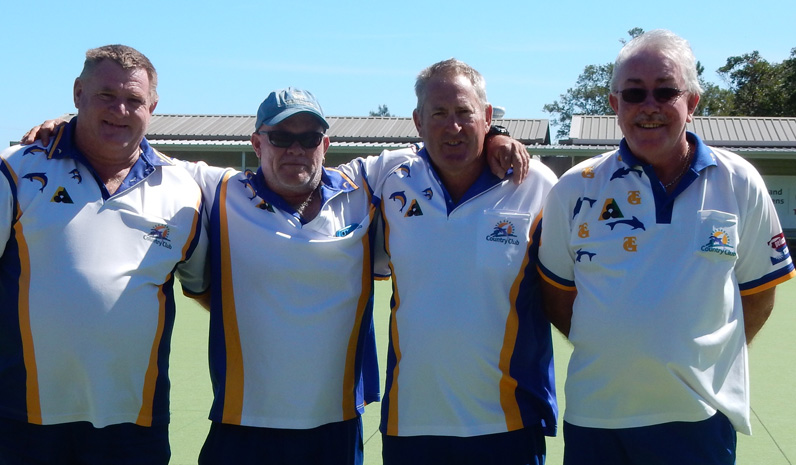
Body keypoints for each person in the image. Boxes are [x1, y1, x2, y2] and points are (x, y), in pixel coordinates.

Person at [23, 85, 530, 464]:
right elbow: (126, 149)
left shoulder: (367, 184)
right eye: (281, 137)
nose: (296, 149)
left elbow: (446, 137)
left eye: (308, 137)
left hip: (335, 429)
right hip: (241, 428)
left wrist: (498, 136)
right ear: (257, 141)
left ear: (325, 143)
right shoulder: (214, 189)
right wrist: (69, 128)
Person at [538, 29, 796, 465]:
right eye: (634, 94)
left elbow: (759, 295)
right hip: (596, 417)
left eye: (666, 91)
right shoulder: (573, 189)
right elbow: (558, 296)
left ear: (692, 102)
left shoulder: (739, 181)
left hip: (698, 419)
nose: (650, 107)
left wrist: (699, 361)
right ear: (614, 104)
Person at [0, 45, 207, 464]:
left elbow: (203, 288)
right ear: (77, 94)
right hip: (23, 416)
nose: (121, 110)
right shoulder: (17, 171)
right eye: (106, 96)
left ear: (153, 106)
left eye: (134, 100)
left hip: (135, 420)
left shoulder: (185, 189)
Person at [373, 59, 558, 465]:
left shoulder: (537, 185)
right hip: (412, 423)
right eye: (438, 114)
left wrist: (499, 139)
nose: (452, 127)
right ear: (418, 122)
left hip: (508, 424)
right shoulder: (389, 178)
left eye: (464, 113)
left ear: (487, 117)